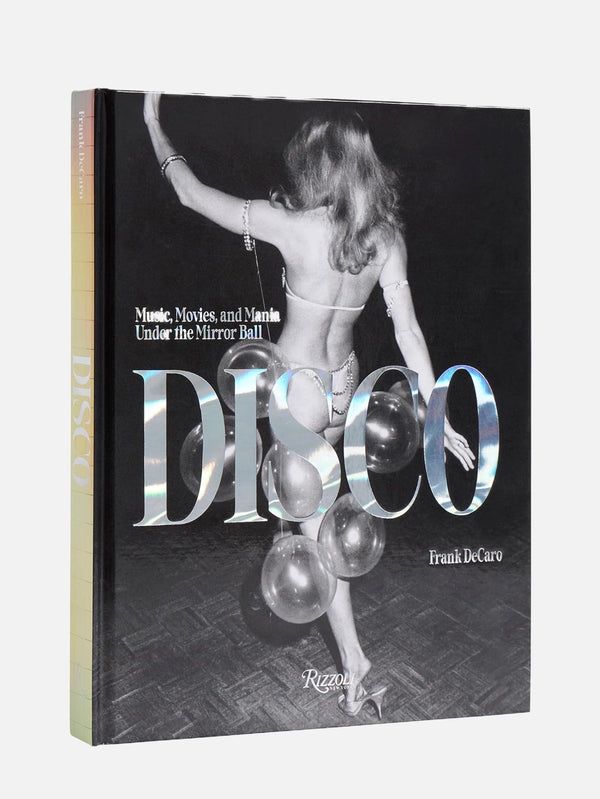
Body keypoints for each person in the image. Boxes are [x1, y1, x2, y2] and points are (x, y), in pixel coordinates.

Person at [144, 93, 476, 719]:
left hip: (296, 392)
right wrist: (438, 412)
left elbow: (189, 192)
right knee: (315, 516)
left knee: (316, 525)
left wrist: (153, 124)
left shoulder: (291, 224)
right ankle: (352, 658)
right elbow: (408, 332)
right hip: (343, 388)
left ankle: (354, 662)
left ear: (315, 164)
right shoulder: (385, 238)